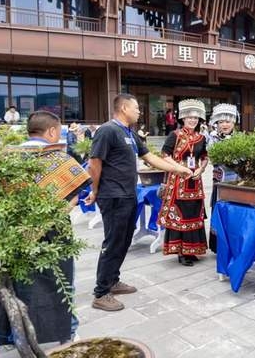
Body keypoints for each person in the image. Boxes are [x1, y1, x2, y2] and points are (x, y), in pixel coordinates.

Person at [0, 111, 91, 347]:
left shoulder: (5, 158)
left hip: (14, 233)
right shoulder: (59, 159)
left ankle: (19, 333)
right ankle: (68, 332)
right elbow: (72, 199)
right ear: (53, 131)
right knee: (61, 281)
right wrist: (44, 223)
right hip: (53, 233)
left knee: (21, 283)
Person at [84, 93, 192, 312]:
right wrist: (95, 191)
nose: (139, 112)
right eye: (136, 108)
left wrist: (178, 168)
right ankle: (101, 293)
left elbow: (150, 158)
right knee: (113, 242)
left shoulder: (130, 134)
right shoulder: (107, 130)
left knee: (123, 241)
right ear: (124, 108)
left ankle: (113, 280)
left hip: (128, 194)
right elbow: (94, 162)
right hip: (112, 195)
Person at [159, 99, 209, 266]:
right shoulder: (175, 135)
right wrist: (180, 168)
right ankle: (181, 251)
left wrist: (201, 169)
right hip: (179, 181)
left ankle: (192, 249)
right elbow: (164, 155)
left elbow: (204, 157)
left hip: (195, 181)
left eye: (195, 117)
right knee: (181, 214)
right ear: (182, 118)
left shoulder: (201, 137)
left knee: (194, 214)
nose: (192, 120)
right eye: (189, 117)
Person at [207, 103, 240, 253]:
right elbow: (214, 158)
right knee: (219, 211)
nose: (225, 125)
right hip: (220, 182)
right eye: (221, 122)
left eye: (228, 121)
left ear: (234, 122)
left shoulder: (240, 138)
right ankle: (218, 245)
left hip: (237, 183)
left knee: (235, 212)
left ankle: (234, 242)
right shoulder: (212, 138)